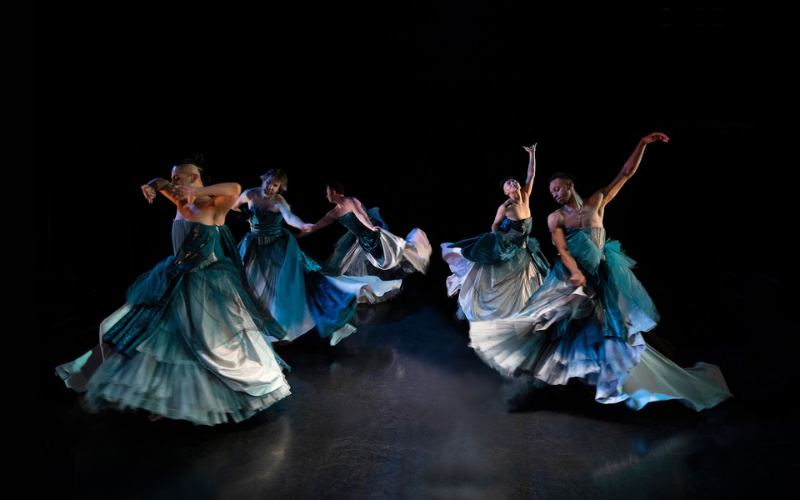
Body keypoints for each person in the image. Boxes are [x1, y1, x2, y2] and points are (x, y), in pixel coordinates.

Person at [469, 132, 734, 412]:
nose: (555, 194)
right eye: (552, 192)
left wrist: (642, 143)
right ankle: (549, 387)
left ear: (570, 186)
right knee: (554, 327)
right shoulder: (555, 217)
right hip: (570, 277)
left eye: (558, 189)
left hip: (602, 275)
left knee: (613, 332)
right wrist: (574, 273)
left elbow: (626, 173)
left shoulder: (597, 202)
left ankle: (622, 383)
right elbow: (561, 249)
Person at [55, 157, 292, 426]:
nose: (174, 182)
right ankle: (163, 399)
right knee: (134, 333)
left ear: (194, 178)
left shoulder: (215, 205)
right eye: (173, 178)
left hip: (207, 282)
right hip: (174, 277)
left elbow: (235, 187)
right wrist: (152, 185)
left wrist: (197, 193)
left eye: (179, 178)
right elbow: (161, 182)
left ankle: (209, 398)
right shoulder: (180, 200)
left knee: (210, 346)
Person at [233, 169, 402, 345]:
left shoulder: (279, 201)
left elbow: (290, 218)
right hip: (254, 246)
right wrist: (238, 209)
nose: (271, 187)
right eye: (269, 183)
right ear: (263, 180)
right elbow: (235, 204)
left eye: (275, 185)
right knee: (250, 282)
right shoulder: (250, 194)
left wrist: (302, 224)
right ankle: (256, 324)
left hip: (276, 247)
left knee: (293, 284)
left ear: (279, 188)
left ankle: (289, 326)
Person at [441, 143, 551, 321]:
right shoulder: (505, 207)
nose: (513, 182)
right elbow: (495, 225)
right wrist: (497, 241)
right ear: (506, 192)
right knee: (507, 281)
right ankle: (503, 313)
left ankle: (526, 312)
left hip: (524, 246)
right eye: (509, 183)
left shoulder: (525, 196)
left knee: (528, 279)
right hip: (511, 244)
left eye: (513, 180)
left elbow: (531, 175)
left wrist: (532, 154)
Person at [296, 180, 432, 297]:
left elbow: (361, 215)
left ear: (333, 192)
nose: (326, 196)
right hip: (360, 240)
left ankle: (402, 282)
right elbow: (316, 226)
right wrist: (299, 235)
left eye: (327, 193)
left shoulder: (351, 201)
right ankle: (375, 290)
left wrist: (371, 227)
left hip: (372, 233)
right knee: (359, 269)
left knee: (391, 259)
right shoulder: (333, 213)